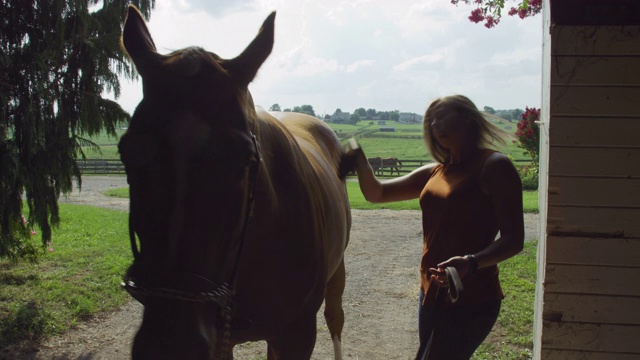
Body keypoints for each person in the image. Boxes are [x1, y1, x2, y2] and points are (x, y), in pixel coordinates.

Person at [346, 95, 524, 359]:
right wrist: (358, 157)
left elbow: (514, 239)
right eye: (430, 120)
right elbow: (378, 194)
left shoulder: (494, 166)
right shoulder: (435, 172)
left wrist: (470, 262)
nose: (434, 124)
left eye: (442, 116)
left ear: (467, 118)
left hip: (472, 295)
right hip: (431, 291)